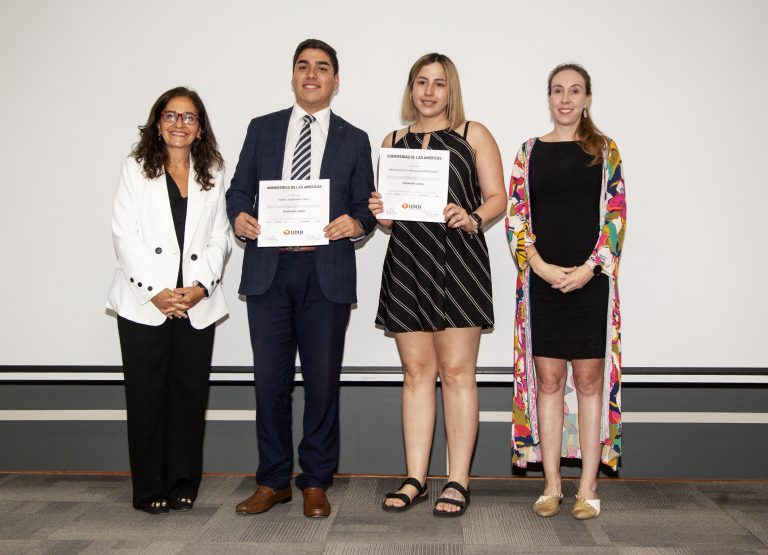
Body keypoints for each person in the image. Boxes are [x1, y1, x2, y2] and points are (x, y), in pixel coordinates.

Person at [226, 38, 376, 519]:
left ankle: (314, 481)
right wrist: (240, 218)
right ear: (292, 76)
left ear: (336, 80)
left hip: (325, 272)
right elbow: (238, 190)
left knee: (321, 383)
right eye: (304, 66)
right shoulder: (262, 129)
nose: (312, 74)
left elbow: (364, 207)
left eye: (323, 68)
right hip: (270, 271)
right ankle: (273, 481)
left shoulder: (355, 138)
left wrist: (358, 224)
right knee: (269, 383)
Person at [369, 53, 506, 517]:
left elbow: (498, 198)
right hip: (407, 262)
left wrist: (473, 217)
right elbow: (390, 215)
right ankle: (415, 478)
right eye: (421, 82)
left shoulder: (474, 135)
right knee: (416, 375)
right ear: (410, 88)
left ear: (452, 90)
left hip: (459, 263)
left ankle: (457, 479)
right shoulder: (391, 140)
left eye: (439, 84)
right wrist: (381, 213)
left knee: (457, 374)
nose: (429, 91)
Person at [505, 63, 626, 520]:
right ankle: (552, 486)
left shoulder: (605, 150)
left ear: (588, 98)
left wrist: (589, 269)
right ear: (549, 97)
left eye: (575, 91)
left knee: (590, 382)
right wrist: (538, 265)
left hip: (590, 285)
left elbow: (616, 216)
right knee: (550, 382)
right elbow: (516, 216)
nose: (566, 99)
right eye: (558, 90)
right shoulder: (528, 151)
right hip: (542, 285)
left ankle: (588, 487)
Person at [107, 86, 231, 514]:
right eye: (171, 116)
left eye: (189, 117)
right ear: (158, 123)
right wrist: (155, 293)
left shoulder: (212, 171)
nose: (180, 124)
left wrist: (200, 287)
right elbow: (124, 234)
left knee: (188, 397)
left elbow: (221, 237)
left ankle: (183, 482)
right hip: (145, 304)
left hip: (194, 303)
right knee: (146, 398)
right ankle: (148, 487)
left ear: (200, 129)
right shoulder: (135, 168)